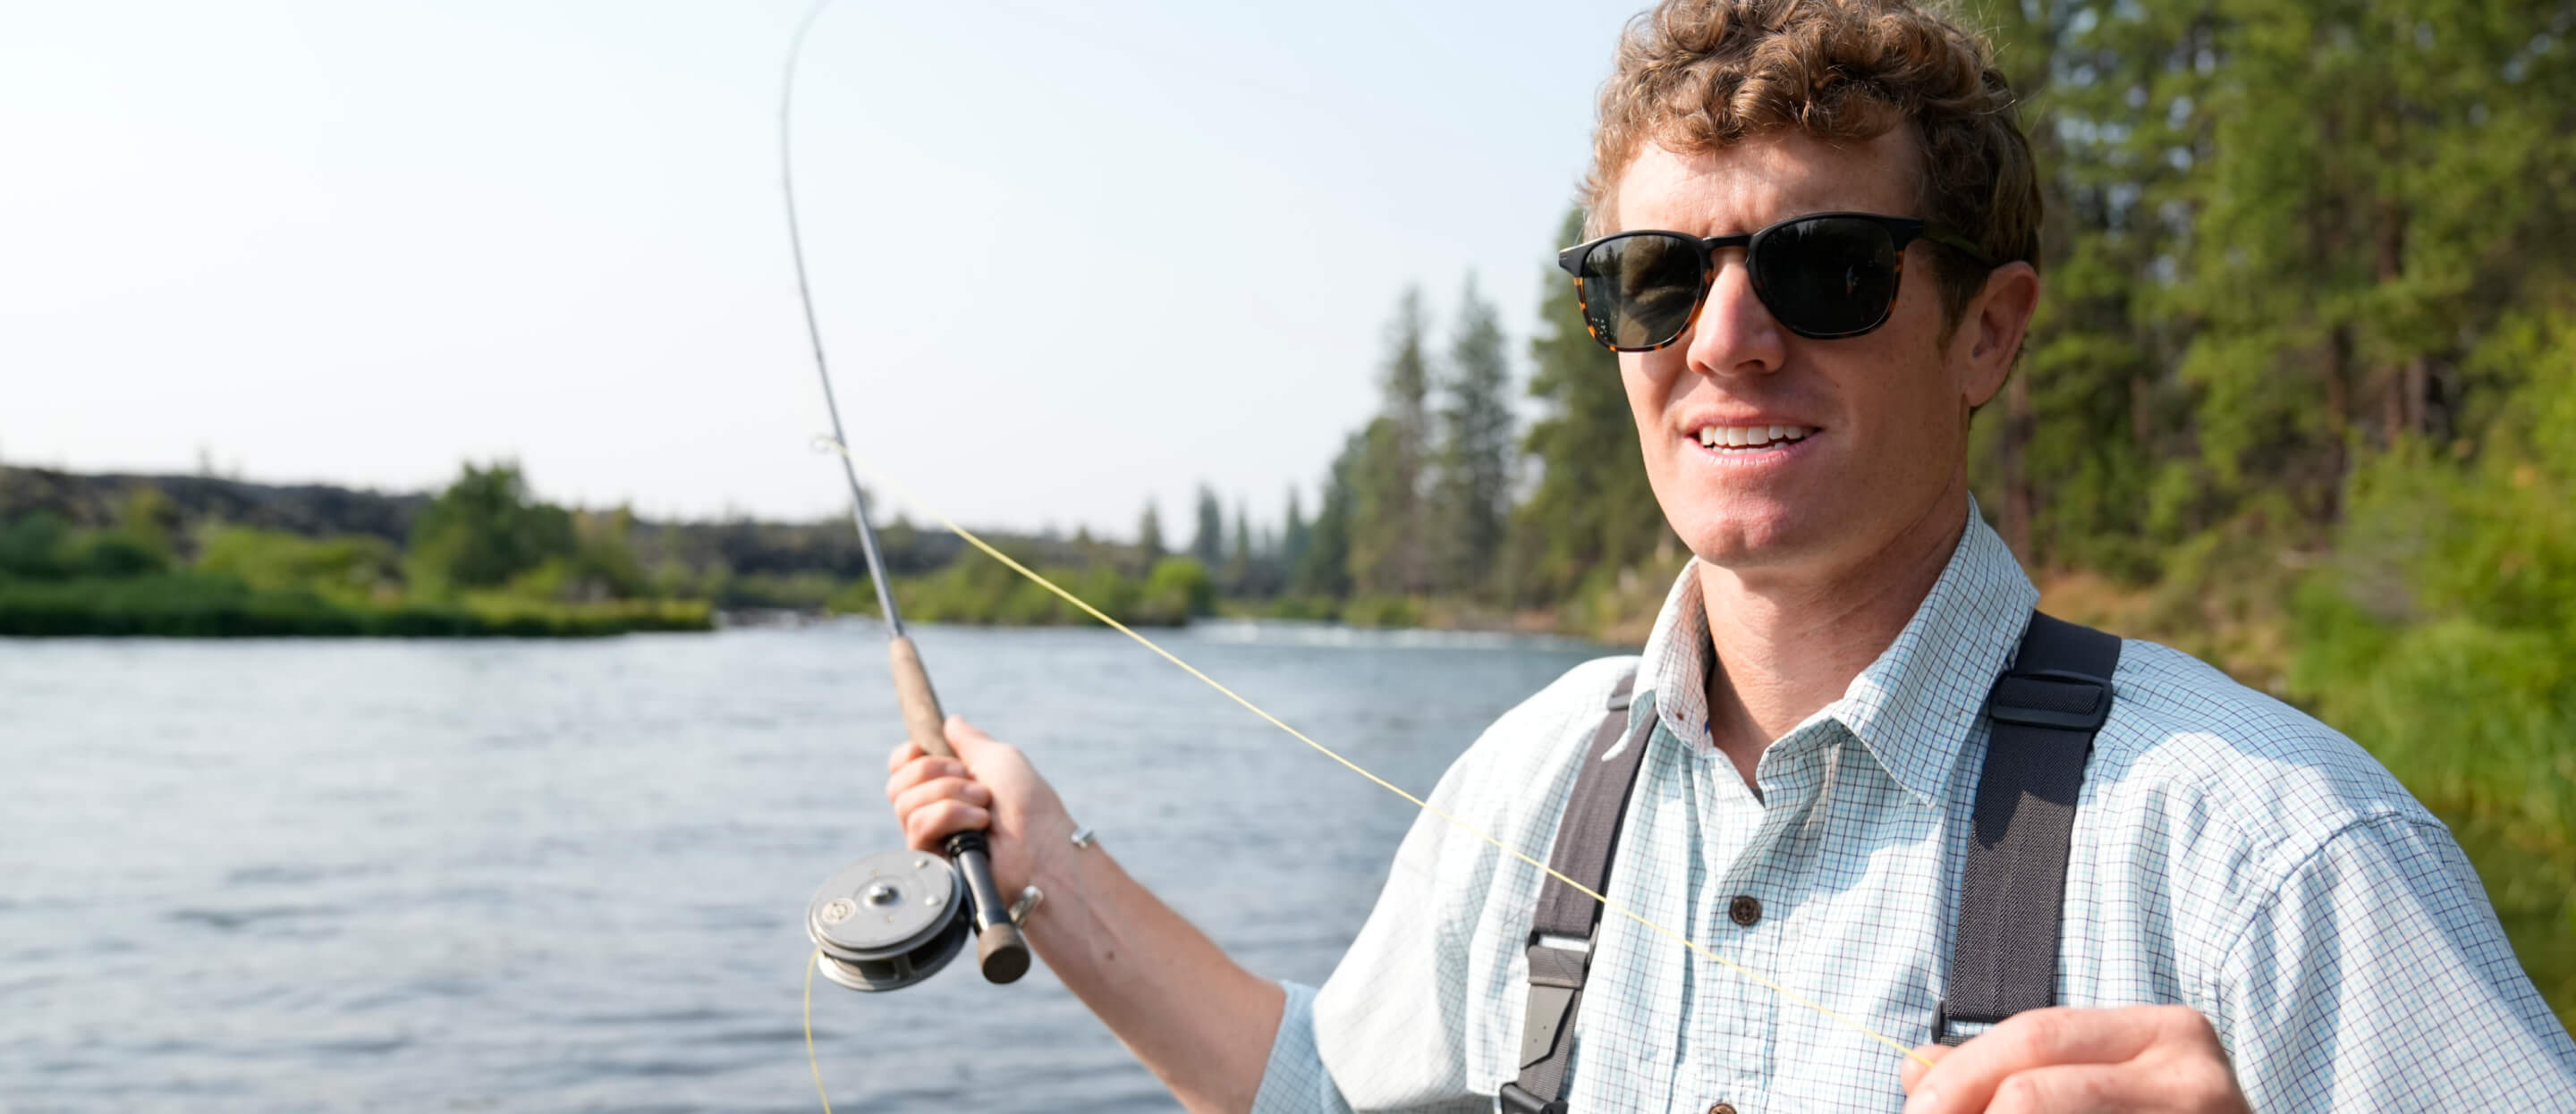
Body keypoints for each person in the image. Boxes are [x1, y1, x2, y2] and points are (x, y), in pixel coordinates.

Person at [883, 0, 2576, 1110]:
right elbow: (1328, 1086)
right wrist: (1047, 870)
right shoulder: (1531, 778)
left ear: (1986, 332)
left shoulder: (2278, 851)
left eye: (1826, 267)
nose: (1730, 340)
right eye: (1657, 279)